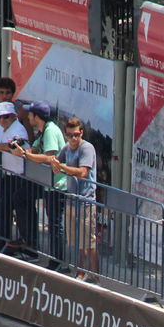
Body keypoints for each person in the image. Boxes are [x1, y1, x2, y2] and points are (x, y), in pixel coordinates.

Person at [9, 100, 68, 269]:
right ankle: (30, 243)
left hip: (56, 184)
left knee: (55, 223)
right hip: (44, 181)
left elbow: (49, 157)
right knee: (20, 197)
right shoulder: (42, 131)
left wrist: (25, 155)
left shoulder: (50, 131)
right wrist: (20, 148)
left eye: (30, 114)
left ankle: (58, 261)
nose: (28, 116)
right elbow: (34, 150)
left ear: (37, 117)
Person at [52, 116, 99, 281]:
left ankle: (94, 276)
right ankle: (81, 271)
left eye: (76, 135)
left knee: (89, 241)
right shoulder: (66, 148)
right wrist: (26, 155)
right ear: (65, 135)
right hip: (72, 200)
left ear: (81, 134)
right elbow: (52, 161)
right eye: (70, 135)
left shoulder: (87, 148)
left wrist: (62, 167)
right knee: (77, 241)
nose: (74, 138)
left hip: (86, 201)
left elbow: (83, 172)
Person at [0, 102, 30, 243]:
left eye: (5, 117)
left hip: (20, 177)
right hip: (8, 175)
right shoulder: (3, 128)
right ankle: (4, 240)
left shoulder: (19, 129)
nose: (2, 120)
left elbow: (13, 146)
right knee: (4, 209)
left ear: (12, 116)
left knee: (22, 214)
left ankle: (27, 244)